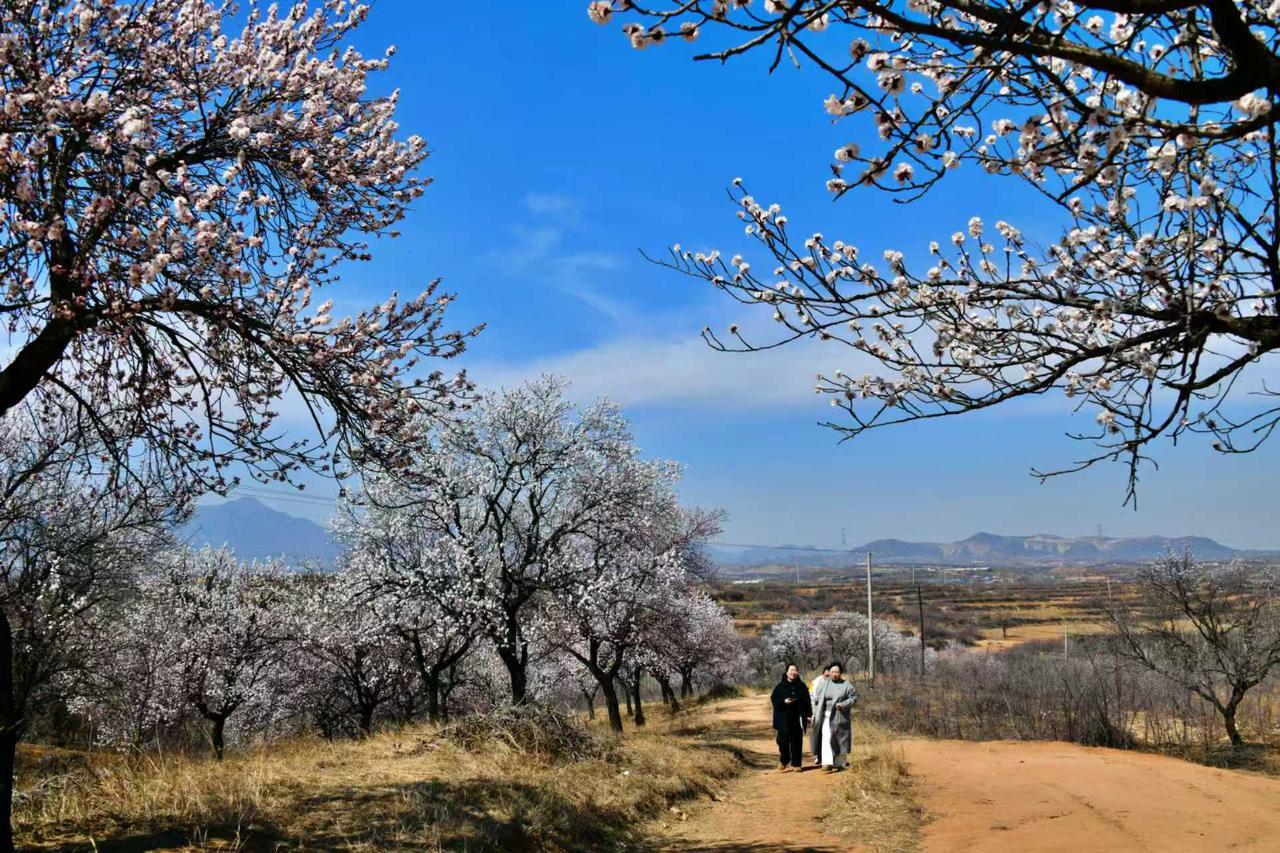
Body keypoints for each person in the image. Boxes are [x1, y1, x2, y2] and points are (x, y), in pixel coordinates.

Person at [811, 661, 856, 772]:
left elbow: (853, 699)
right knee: (826, 738)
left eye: (837, 672)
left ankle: (840, 763)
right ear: (829, 672)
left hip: (839, 716)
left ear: (840, 673)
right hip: (825, 715)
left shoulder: (847, 685)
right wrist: (815, 709)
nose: (834, 674)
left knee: (840, 739)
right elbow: (817, 698)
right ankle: (827, 763)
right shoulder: (824, 684)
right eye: (832, 672)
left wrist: (843, 704)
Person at [770, 662, 812, 772]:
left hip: (797, 717)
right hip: (783, 718)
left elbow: (807, 701)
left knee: (797, 740)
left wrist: (808, 715)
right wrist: (784, 701)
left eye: (795, 670)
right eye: (791, 670)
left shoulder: (802, 686)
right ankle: (784, 759)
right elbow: (774, 699)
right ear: (787, 672)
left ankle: (796, 763)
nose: (793, 672)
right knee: (782, 741)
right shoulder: (780, 686)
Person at [808, 665, 831, 764]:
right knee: (818, 734)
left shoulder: (834, 683)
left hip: (830, 712)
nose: (828, 677)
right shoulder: (815, 682)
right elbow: (810, 696)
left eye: (829, 675)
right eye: (826, 675)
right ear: (823, 674)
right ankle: (819, 756)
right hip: (817, 711)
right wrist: (812, 713)